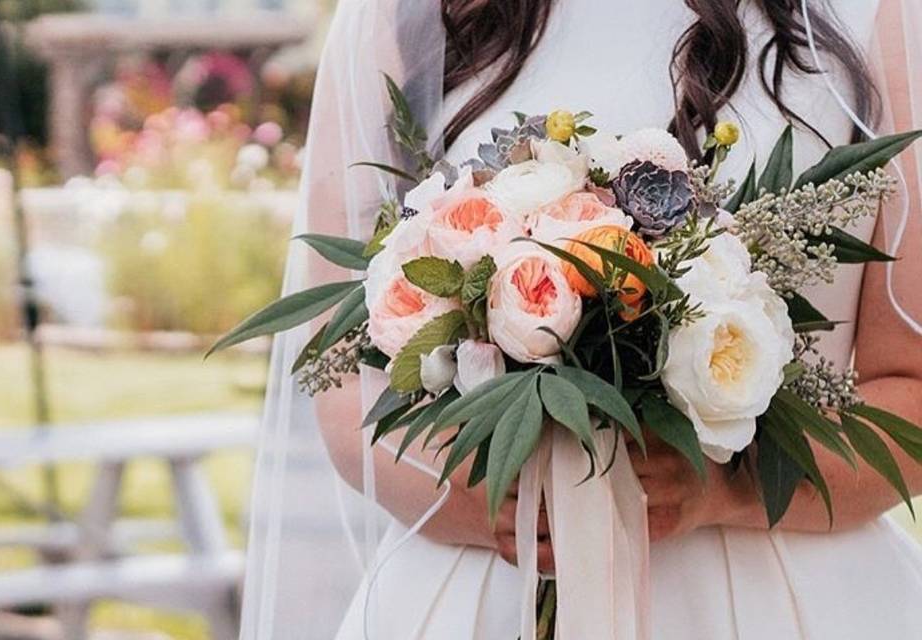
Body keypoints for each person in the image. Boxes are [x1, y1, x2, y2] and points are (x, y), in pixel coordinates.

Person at [246, 0, 922, 637]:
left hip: (776, 600)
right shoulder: (414, 17)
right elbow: (343, 381)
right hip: (486, 592)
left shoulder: (874, 19)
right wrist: (495, 503)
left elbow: (911, 389)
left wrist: (724, 490)